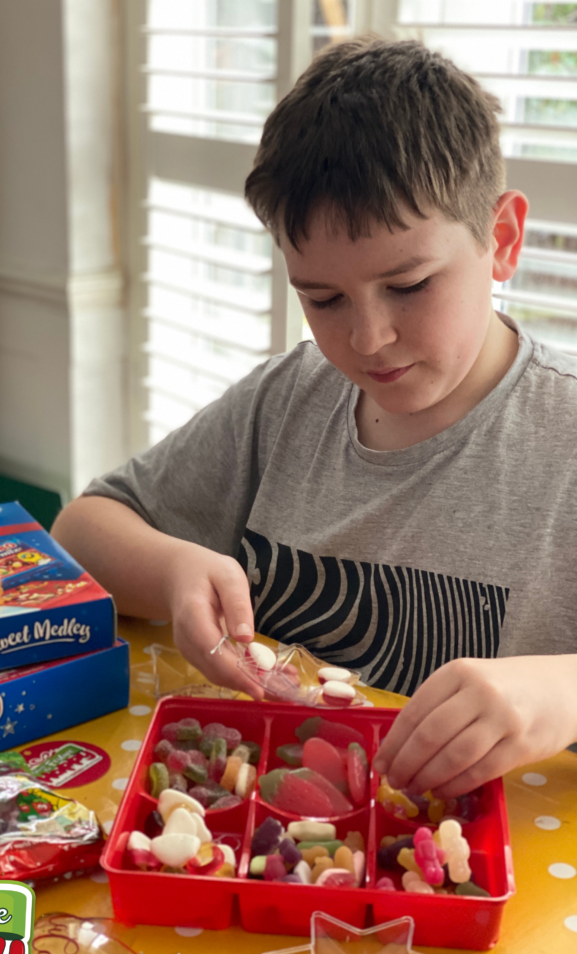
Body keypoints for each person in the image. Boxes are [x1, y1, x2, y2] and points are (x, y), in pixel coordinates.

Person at [52, 37, 577, 802]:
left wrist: (564, 692)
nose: (367, 339)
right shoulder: (287, 401)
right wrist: (173, 572)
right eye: (322, 299)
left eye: (409, 285)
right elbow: (80, 531)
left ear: (501, 239)